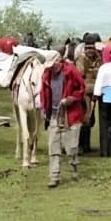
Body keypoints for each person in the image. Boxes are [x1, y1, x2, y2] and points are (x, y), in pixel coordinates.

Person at [39, 50, 86, 188]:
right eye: (50, 65)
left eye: (54, 65)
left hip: (71, 115)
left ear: (60, 62)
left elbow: (81, 88)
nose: (51, 68)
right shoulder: (46, 74)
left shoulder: (71, 71)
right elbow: (44, 92)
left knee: (71, 147)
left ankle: (74, 169)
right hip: (54, 114)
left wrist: (72, 98)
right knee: (53, 146)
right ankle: (54, 176)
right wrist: (44, 108)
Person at [74, 36, 102, 154]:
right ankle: (80, 145)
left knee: (90, 118)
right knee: (84, 117)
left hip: (94, 92)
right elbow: (80, 73)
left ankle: (86, 145)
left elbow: (101, 72)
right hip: (84, 92)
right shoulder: (81, 59)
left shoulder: (98, 59)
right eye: (88, 48)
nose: (90, 51)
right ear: (84, 49)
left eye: (92, 48)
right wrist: (90, 67)